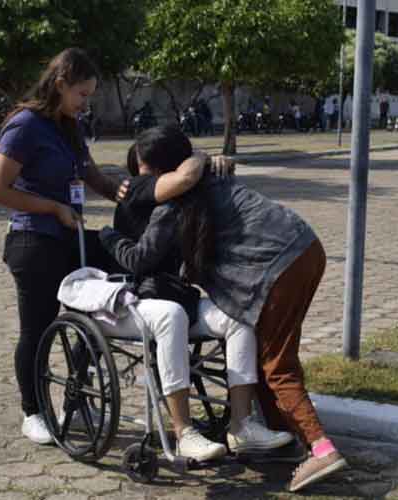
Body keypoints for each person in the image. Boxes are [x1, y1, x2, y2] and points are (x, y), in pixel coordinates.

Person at [99, 125, 348, 492]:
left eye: (145, 170)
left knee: (276, 365)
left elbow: (141, 257)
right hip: (304, 247)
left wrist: (107, 236)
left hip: (279, 266)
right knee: (265, 352)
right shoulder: (207, 177)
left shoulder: (174, 196)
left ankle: (321, 449)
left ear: (166, 169)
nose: (142, 179)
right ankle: (279, 436)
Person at [114, 145, 294, 459]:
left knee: (237, 318)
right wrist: (109, 237)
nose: (147, 179)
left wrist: (213, 162)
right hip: (138, 300)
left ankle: (241, 426)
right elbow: (137, 260)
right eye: (140, 171)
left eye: (151, 170)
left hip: (180, 297)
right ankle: (184, 432)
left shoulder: (189, 199)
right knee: (172, 315)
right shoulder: (134, 202)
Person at [0, 48, 129, 445]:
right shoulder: (25, 125)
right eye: (82, 94)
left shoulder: (70, 126)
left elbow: (89, 173)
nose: (86, 103)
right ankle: (32, 411)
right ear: (61, 83)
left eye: (90, 96)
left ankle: (75, 401)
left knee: (103, 304)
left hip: (70, 238)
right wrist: (53, 207)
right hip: (33, 240)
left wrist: (124, 192)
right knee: (37, 328)